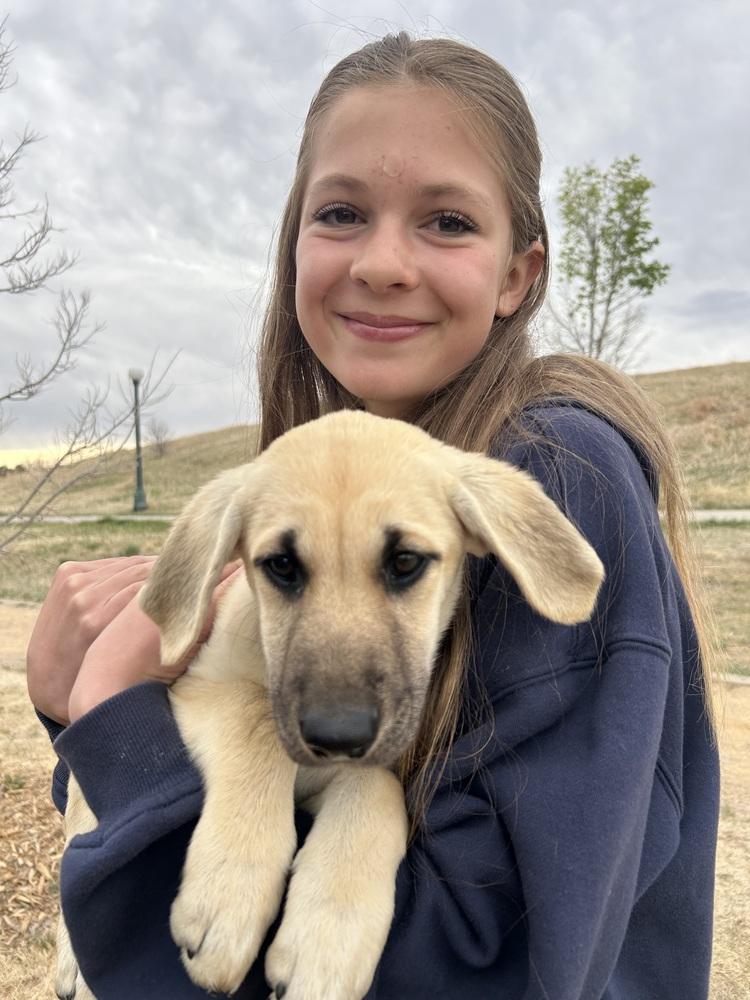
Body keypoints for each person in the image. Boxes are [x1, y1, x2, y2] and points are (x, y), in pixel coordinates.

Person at [28, 32, 720, 1000]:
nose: (385, 264)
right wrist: (94, 724)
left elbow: (500, 960)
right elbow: (154, 788)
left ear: (519, 274)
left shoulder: (555, 471)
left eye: (445, 221)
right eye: (343, 212)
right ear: (294, 248)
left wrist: (109, 710)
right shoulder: (308, 477)